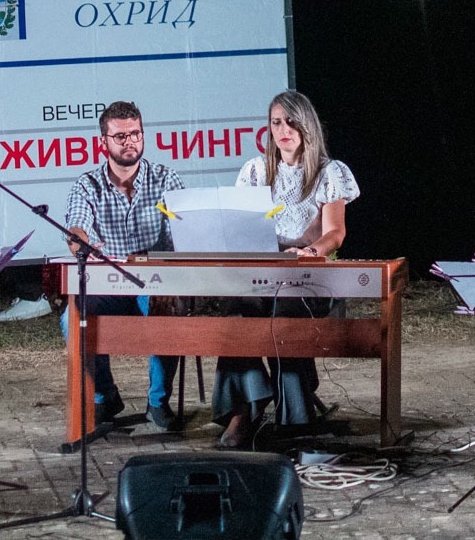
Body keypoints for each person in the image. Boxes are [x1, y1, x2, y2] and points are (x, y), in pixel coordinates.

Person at [212, 90, 360, 448]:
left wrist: (309, 251)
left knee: (286, 311)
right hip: (263, 273)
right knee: (237, 310)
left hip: (309, 276)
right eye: (276, 122)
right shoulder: (254, 170)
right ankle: (246, 407)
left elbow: (335, 233)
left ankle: (295, 416)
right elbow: (241, 228)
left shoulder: (329, 171)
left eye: (291, 122)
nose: (284, 130)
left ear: (307, 126)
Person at [63, 101, 185, 430]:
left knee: (165, 307)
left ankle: (158, 402)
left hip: (155, 283)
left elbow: (183, 231)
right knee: (72, 316)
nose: (129, 141)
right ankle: (104, 396)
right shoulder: (87, 185)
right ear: (103, 141)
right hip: (110, 286)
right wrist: (79, 241)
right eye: (120, 136)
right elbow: (76, 227)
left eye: (135, 134)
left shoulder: (166, 179)